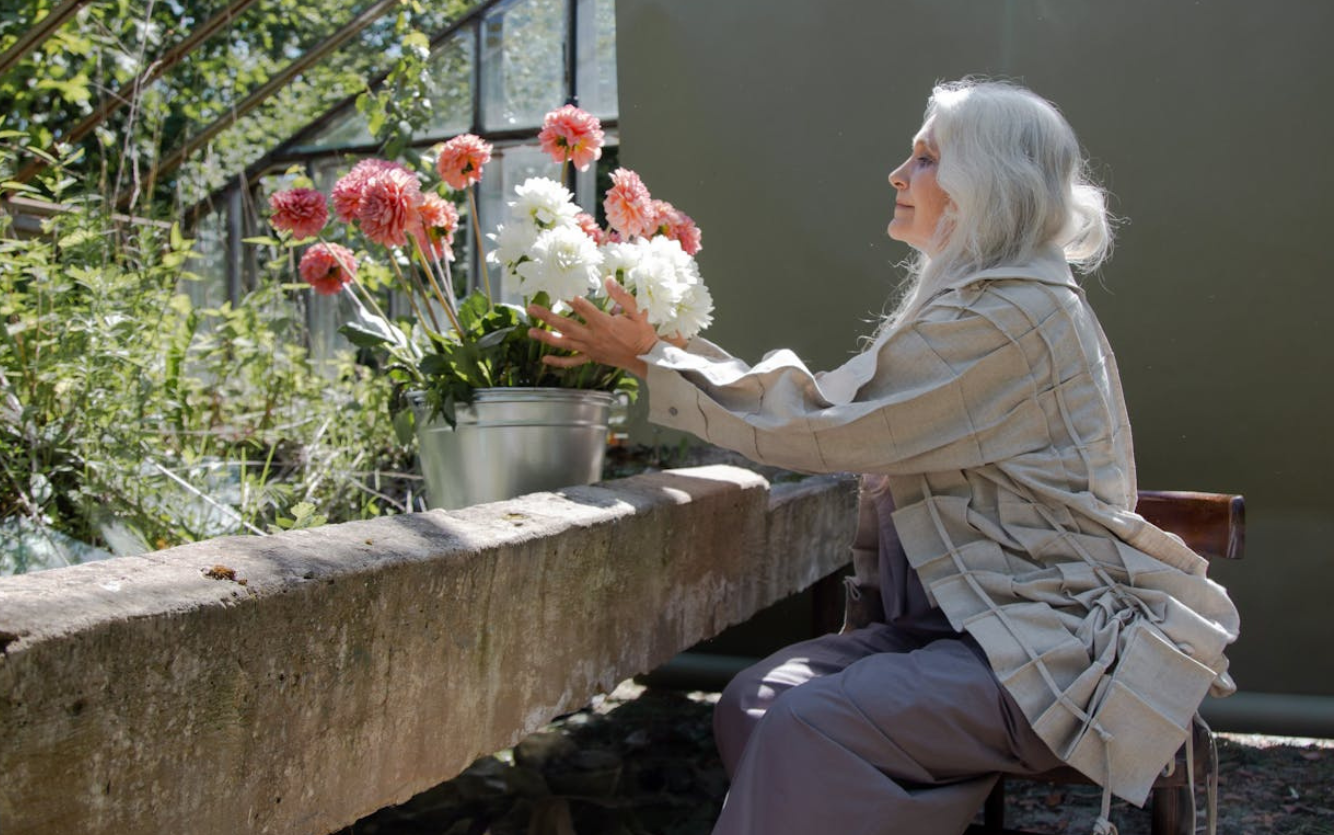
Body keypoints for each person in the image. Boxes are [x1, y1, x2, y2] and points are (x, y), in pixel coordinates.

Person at [526, 79, 1240, 835]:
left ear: (986, 185)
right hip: (962, 627)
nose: (898, 176)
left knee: (809, 724)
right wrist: (662, 356)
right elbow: (842, 414)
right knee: (754, 703)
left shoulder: (1011, 318)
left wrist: (657, 360)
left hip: (1046, 642)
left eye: (926, 158)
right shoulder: (983, 301)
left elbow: (828, 426)